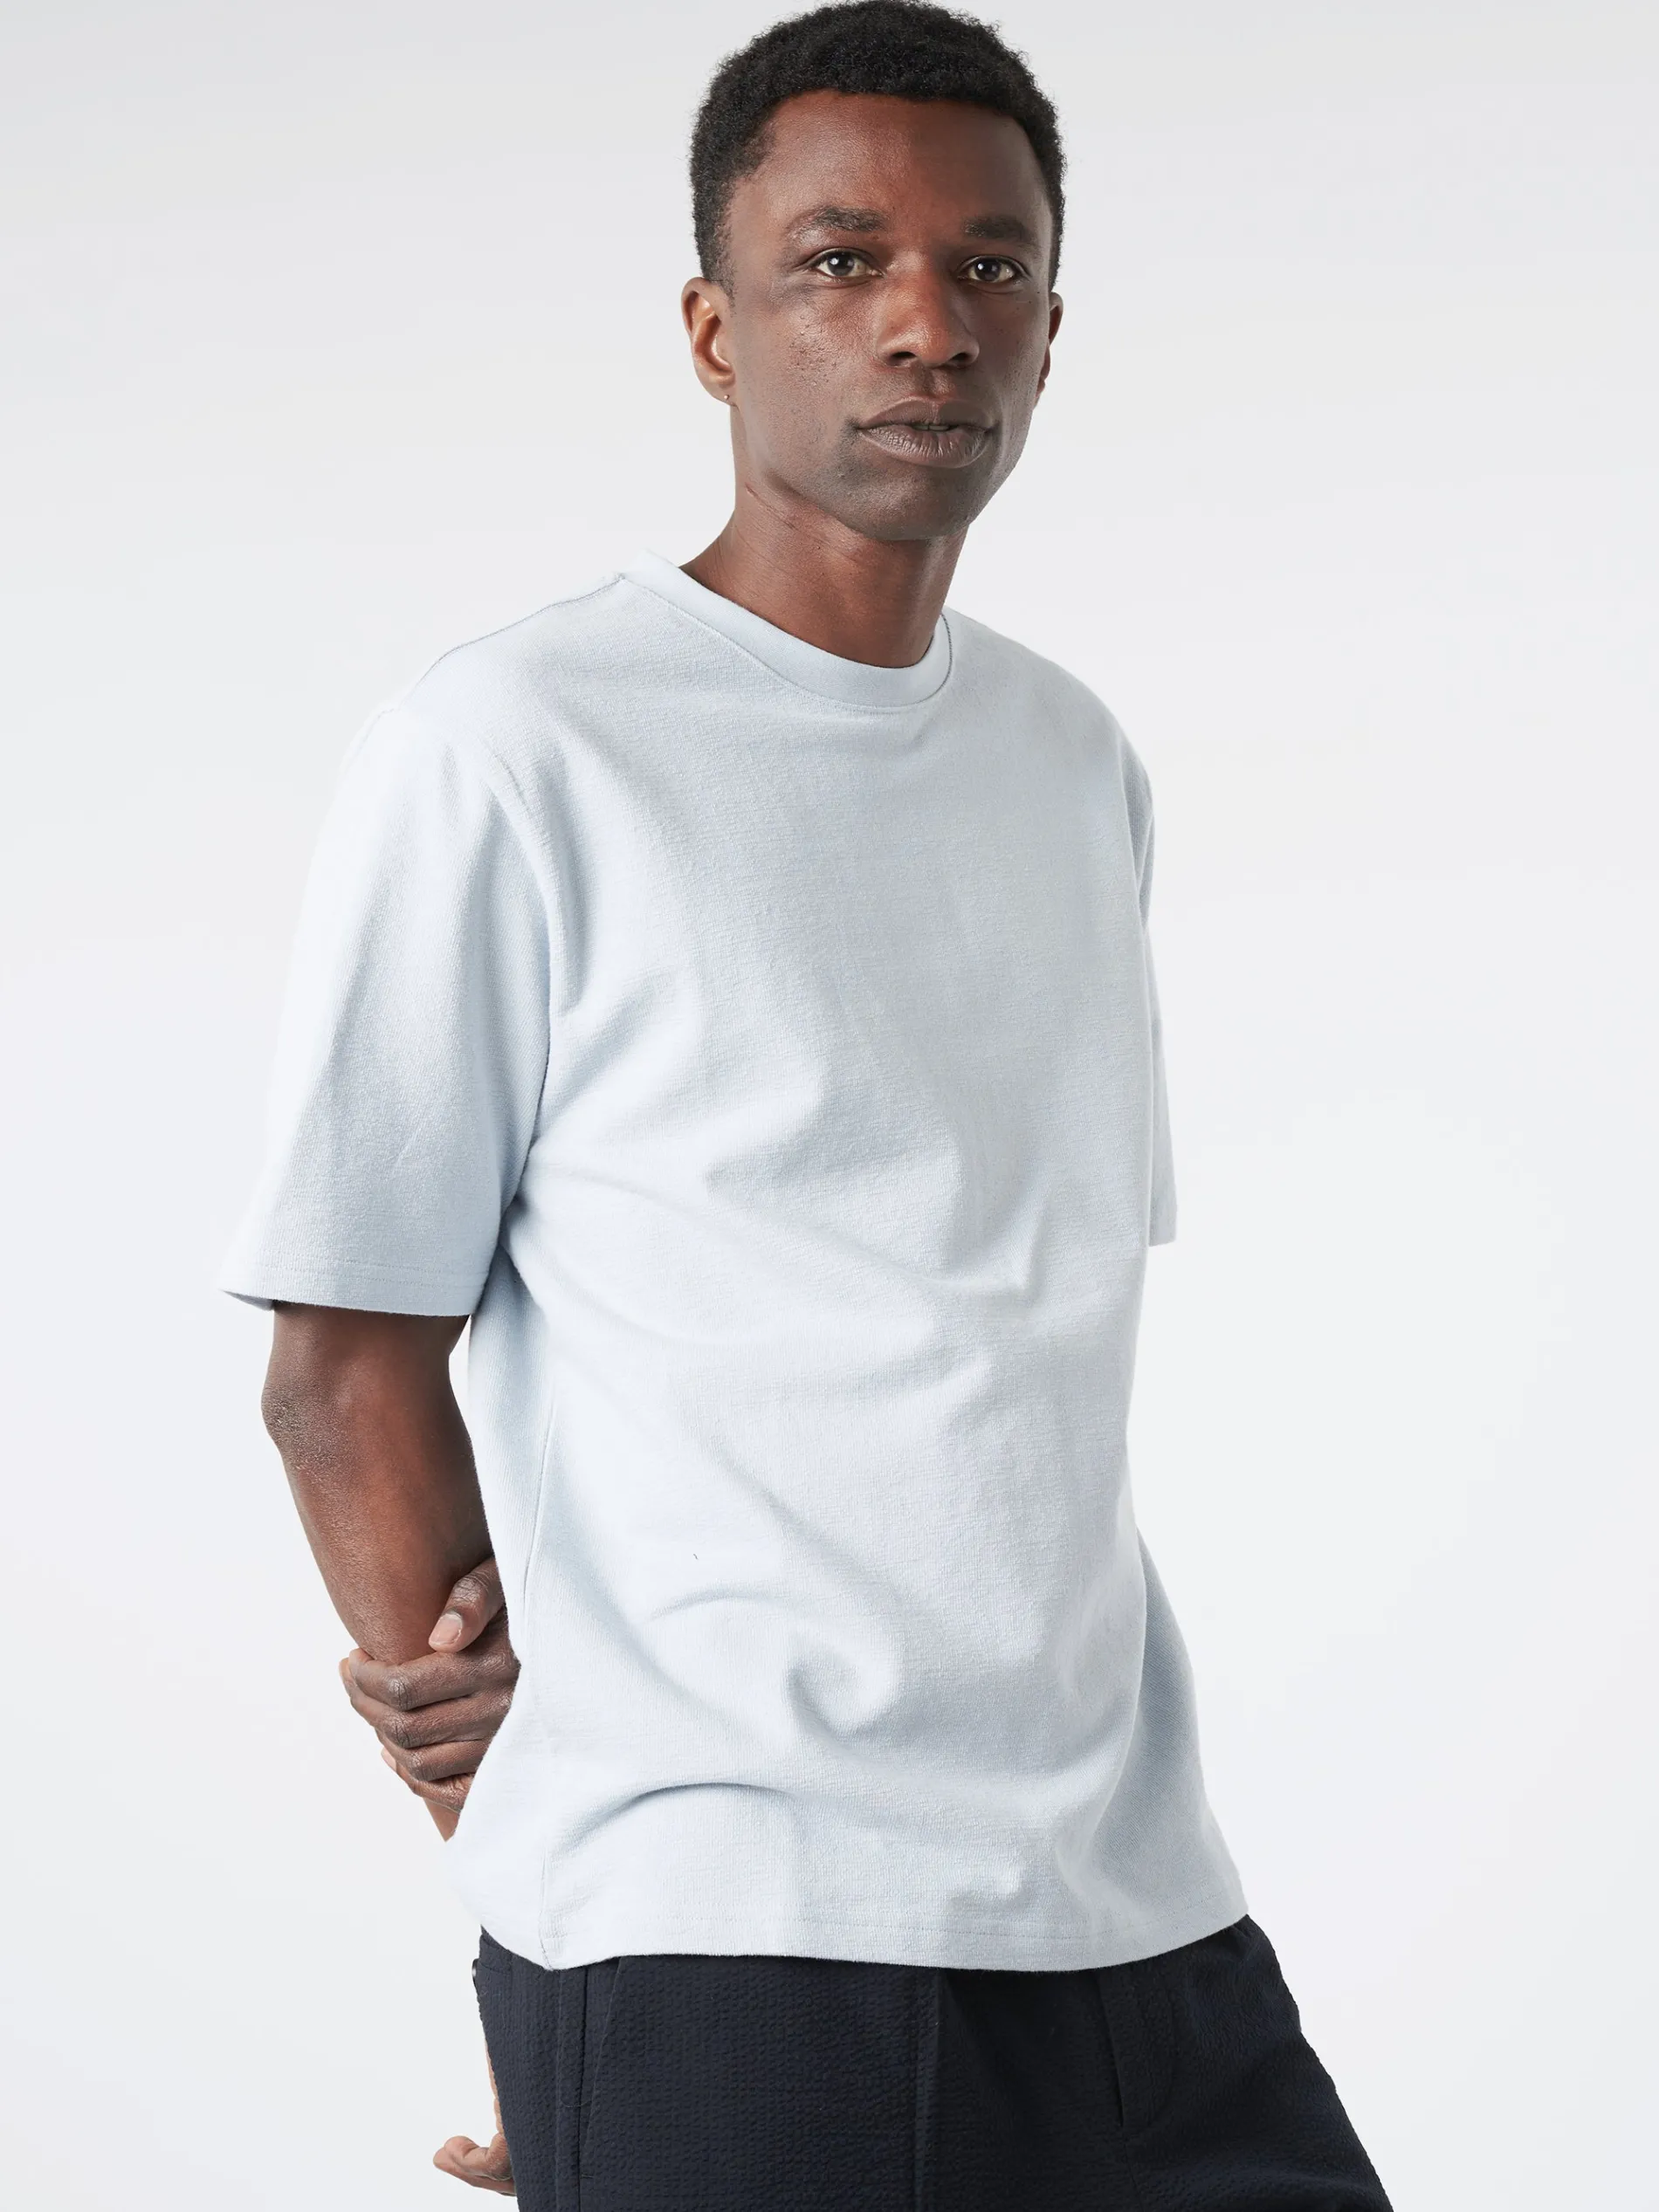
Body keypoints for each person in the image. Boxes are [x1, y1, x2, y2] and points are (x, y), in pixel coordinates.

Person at [224, 3, 1395, 2203]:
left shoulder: (1070, 760)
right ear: (712, 329)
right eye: (840, 262)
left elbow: (985, 1339)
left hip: (1138, 1913)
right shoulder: (515, 745)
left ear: (1050, 326)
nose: (925, 324)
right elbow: (340, 1365)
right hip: (735, 1929)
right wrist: (573, 1922)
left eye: (987, 266)